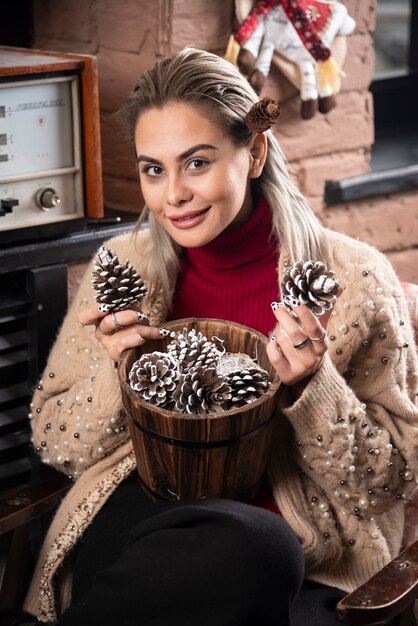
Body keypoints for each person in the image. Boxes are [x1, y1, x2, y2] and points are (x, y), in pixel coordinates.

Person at [21, 47, 417, 626]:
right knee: (233, 559)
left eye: (197, 162)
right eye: (154, 169)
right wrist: (119, 373)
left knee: (259, 548)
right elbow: (59, 444)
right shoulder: (126, 266)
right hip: (145, 530)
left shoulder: (354, 281)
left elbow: (394, 481)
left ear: (254, 152)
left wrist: (314, 387)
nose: (172, 194)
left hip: (306, 562)